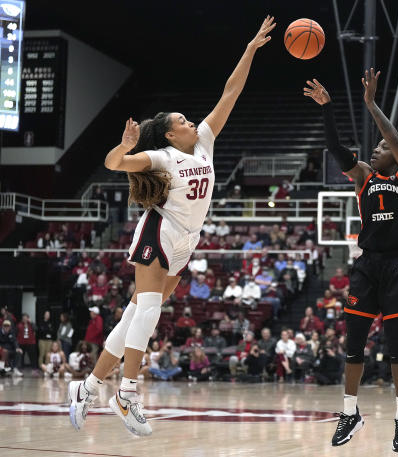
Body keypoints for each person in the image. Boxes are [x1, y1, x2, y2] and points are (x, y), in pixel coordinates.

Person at [67, 16, 276, 437]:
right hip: (158, 232)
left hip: (187, 241)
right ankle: (125, 393)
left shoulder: (204, 142)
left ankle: (87, 386)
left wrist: (251, 48)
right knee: (148, 309)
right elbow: (113, 164)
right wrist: (124, 148)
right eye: (181, 120)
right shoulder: (161, 157)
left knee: (135, 315)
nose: (190, 121)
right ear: (168, 133)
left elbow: (230, 91)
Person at [307, 69, 398, 451]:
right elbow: (337, 149)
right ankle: (349, 412)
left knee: (396, 348)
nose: (375, 150)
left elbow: (391, 137)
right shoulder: (364, 179)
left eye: (383, 148)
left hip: (397, 267)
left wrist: (371, 104)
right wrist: (328, 109)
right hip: (367, 265)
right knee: (353, 345)